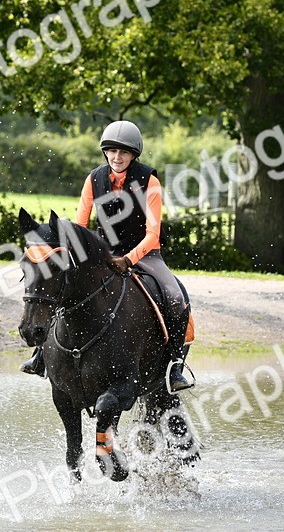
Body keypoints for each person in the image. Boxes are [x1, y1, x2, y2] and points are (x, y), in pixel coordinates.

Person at [22, 120, 195, 392]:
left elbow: (152, 234)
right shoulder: (94, 179)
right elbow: (80, 226)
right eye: (112, 151)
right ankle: (42, 355)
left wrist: (128, 259)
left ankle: (174, 366)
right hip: (102, 252)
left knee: (175, 295)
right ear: (105, 152)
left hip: (145, 254)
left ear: (134, 155)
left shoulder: (149, 181)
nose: (117, 157)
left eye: (124, 152)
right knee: (63, 285)